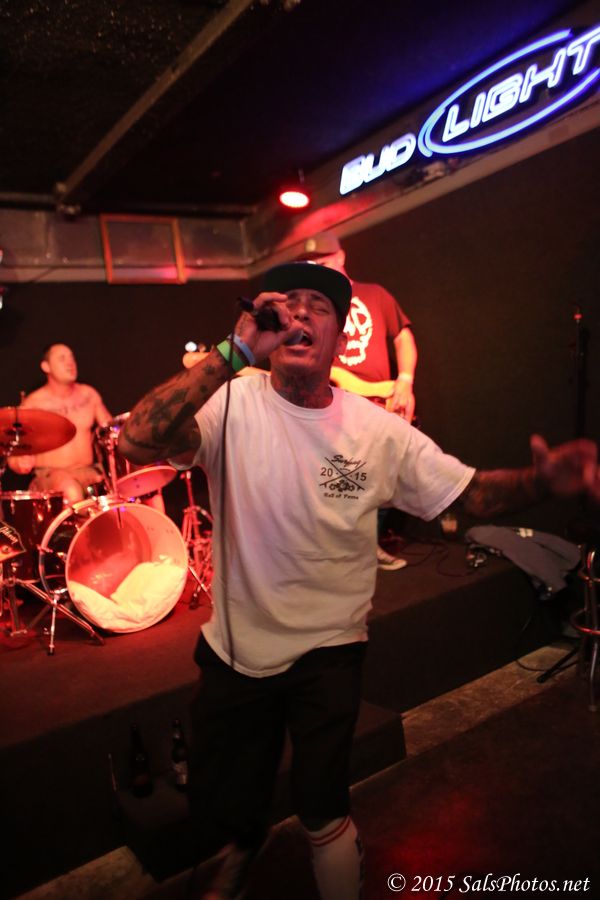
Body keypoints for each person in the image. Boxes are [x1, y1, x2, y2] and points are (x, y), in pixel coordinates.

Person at [118, 263, 599, 900]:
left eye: (317, 306)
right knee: (226, 793)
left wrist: (543, 481)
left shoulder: (378, 432)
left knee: (322, 803)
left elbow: (472, 494)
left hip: (329, 649)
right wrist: (235, 350)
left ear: (340, 338)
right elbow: (137, 442)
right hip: (237, 650)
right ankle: (243, 844)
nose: (298, 314)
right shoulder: (231, 403)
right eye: (286, 303)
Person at [299, 231, 418, 570]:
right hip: (333, 406)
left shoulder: (374, 294)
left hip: (379, 402)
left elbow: (403, 338)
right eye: (311, 264)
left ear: (341, 257)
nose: (319, 269)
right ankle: (346, 553)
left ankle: (367, 547)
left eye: (324, 261)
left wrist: (404, 381)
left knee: (386, 479)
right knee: (339, 483)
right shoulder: (309, 309)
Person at [8, 343, 112, 504]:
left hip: (88, 471)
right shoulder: (34, 403)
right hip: (52, 475)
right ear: (46, 366)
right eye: (62, 359)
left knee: (120, 486)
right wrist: (19, 463)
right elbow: (13, 454)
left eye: (72, 358)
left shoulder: (89, 394)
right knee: (71, 490)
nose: (70, 363)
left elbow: (112, 432)